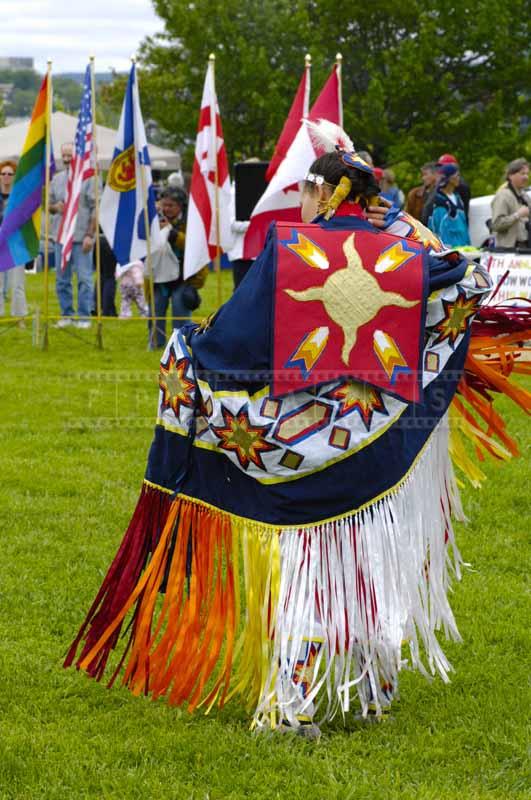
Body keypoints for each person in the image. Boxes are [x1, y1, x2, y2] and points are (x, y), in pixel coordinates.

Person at [65, 121, 529, 741]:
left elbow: (236, 339)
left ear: (326, 195)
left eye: (308, 192)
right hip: (378, 442)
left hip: (304, 445)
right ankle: (373, 689)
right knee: (370, 562)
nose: (300, 204)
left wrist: (189, 349)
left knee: (312, 570)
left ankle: (291, 703)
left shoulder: (293, 252)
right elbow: (462, 280)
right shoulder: (408, 254)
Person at [146, 187, 208, 348]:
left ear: (181, 206)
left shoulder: (191, 222)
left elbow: (194, 246)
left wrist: (172, 233)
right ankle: (155, 343)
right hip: (159, 276)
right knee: (156, 311)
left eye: (171, 205)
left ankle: (180, 345)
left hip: (182, 277)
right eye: (164, 205)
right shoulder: (154, 220)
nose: (167, 209)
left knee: (180, 313)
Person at [49, 142, 96, 328]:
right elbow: (49, 205)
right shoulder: (57, 179)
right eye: (64, 156)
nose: (67, 159)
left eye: (70, 155)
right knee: (62, 279)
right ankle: (66, 314)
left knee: (84, 279)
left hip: (81, 237)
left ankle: (84, 317)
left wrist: (89, 235)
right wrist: (55, 207)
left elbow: (95, 209)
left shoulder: (89, 178)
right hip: (60, 237)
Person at [0, 159, 28, 323]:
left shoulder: (20, 198)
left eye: (10, 174)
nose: (6, 177)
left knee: (17, 284)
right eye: (3, 173)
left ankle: (20, 316)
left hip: (16, 245)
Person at [427, 163, 470, 247]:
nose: (459, 178)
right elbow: (439, 228)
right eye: (457, 175)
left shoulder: (458, 198)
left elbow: (463, 225)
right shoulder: (438, 200)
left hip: (463, 247)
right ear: (449, 178)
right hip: (447, 249)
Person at [490, 158, 530, 249]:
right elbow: (496, 224)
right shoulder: (503, 196)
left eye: (527, 174)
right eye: (522, 173)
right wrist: (517, 215)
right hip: (508, 251)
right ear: (511, 175)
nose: (526, 177)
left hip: (525, 248)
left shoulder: (525, 196)